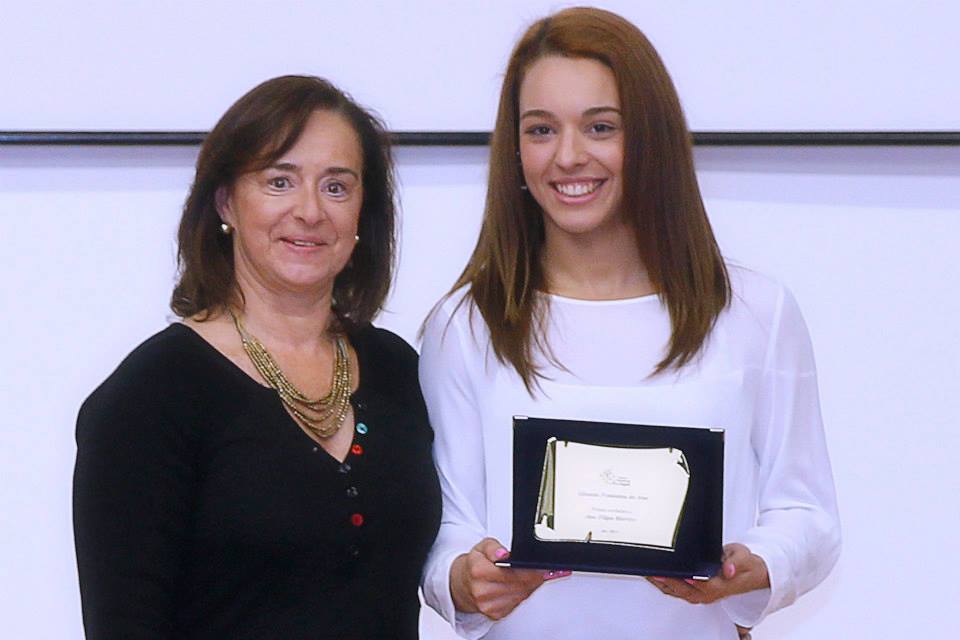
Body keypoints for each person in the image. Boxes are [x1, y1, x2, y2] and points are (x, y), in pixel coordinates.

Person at [419, 7, 840, 640]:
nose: (568, 157)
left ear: (651, 138)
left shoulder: (756, 310)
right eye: (540, 129)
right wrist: (461, 578)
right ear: (514, 149)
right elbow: (445, 529)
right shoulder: (466, 323)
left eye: (600, 126)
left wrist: (757, 564)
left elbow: (808, 514)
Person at [73, 75, 440, 639]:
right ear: (227, 202)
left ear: (363, 213)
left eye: (337, 187)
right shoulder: (150, 397)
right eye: (279, 182)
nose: (310, 211)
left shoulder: (397, 370)